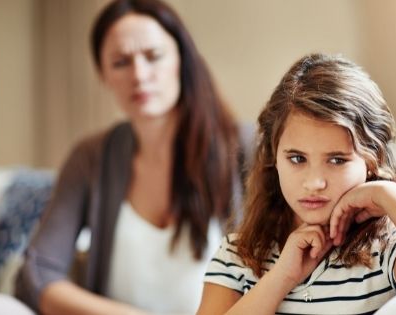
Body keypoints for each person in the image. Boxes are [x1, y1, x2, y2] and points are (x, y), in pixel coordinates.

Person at [197, 53, 396, 315]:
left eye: (337, 160)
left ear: (371, 160)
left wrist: (387, 194)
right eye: (297, 158)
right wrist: (281, 277)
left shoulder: (382, 253)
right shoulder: (239, 255)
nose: (314, 182)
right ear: (274, 157)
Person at [15, 0, 246, 314]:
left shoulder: (246, 147)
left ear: (183, 60)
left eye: (153, 56)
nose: (139, 74)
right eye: (121, 62)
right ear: (103, 74)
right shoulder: (90, 157)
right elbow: (35, 273)